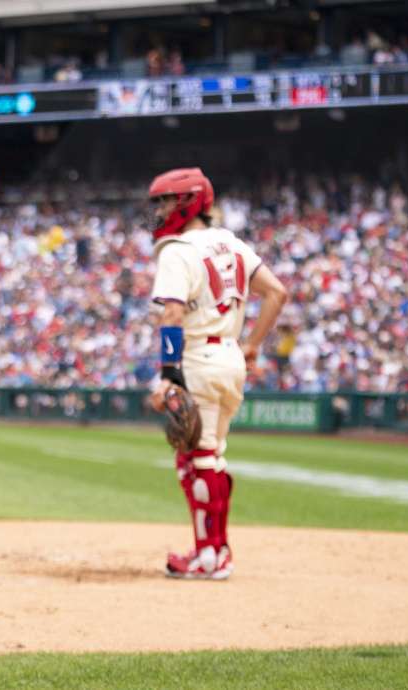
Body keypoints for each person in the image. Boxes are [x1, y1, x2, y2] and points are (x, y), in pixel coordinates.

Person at [146, 167, 288, 580]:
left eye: (166, 201)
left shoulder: (177, 249)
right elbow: (277, 293)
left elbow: (172, 312)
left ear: (189, 201)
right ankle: (215, 549)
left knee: (197, 459)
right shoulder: (231, 242)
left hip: (198, 360)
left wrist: (169, 373)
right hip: (229, 357)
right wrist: (252, 345)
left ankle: (210, 556)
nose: (160, 209)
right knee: (210, 456)